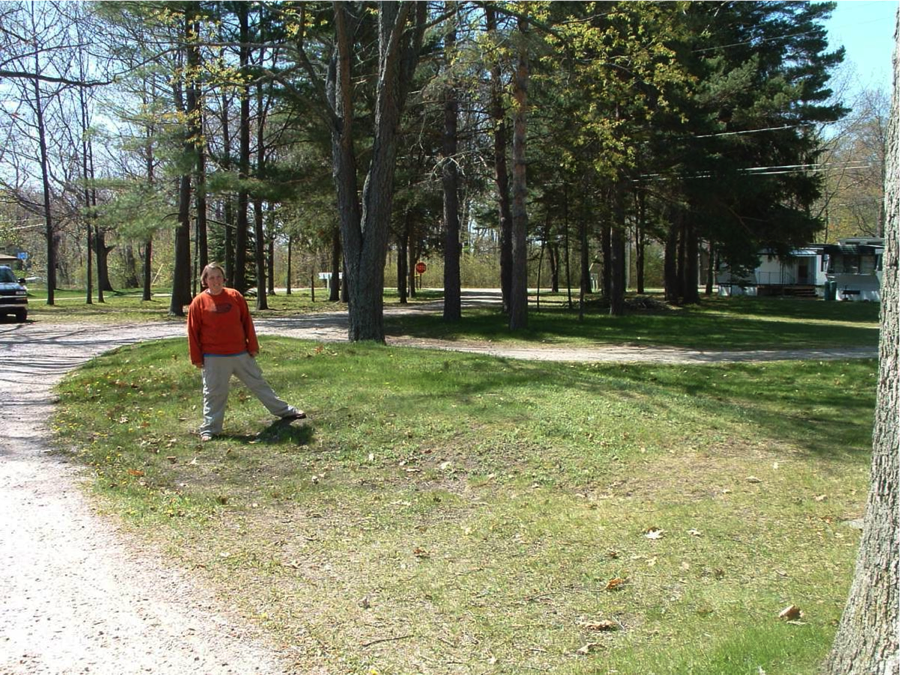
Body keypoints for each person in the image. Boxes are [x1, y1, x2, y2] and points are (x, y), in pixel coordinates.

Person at [187, 263, 304, 441]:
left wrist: (252, 346)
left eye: (218, 276)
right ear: (205, 281)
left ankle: (286, 412)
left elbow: (246, 322)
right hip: (214, 357)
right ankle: (210, 428)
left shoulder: (235, 296)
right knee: (214, 393)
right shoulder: (198, 302)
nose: (216, 280)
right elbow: (193, 332)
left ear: (223, 278)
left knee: (259, 384)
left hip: (240, 353)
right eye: (211, 277)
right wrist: (196, 358)